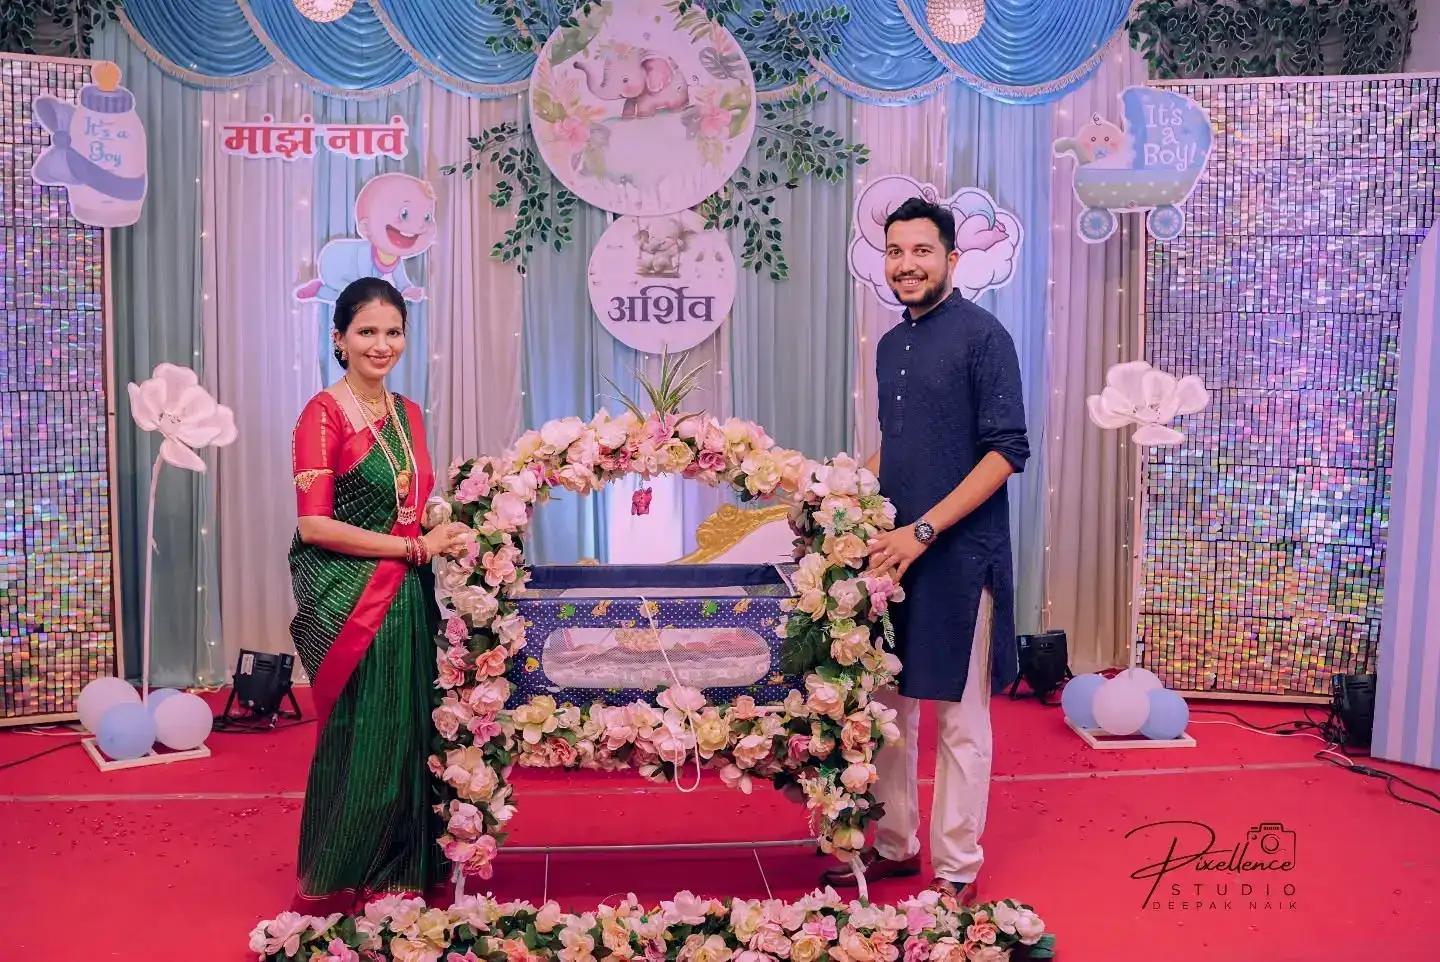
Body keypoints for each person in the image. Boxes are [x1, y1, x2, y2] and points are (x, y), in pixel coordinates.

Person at [822, 197, 1029, 902]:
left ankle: (956, 869)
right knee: (889, 713)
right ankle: (895, 843)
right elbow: (902, 447)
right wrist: (843, 496)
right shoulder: (888, 345)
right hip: (891, 556)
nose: (906, 264)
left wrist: (924, 529)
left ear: (951, 259)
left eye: (921, 252)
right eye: (896, 252)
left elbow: (1006, 452)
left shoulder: (983, 337)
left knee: (961, 721)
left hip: (960, 556)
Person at [288, 276, 470, 914]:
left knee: (411, 726)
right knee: (368, 726)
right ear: (339, 339)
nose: (382, 344)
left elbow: (405, 508)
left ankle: (404, 868)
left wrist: (436, 531)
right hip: (353, 598)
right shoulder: (323, 414)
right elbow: (314, 525)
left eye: (393, 331)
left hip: (407, 594)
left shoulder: (409, 413)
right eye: (367, 331)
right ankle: (345, 868)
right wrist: (415, 548)